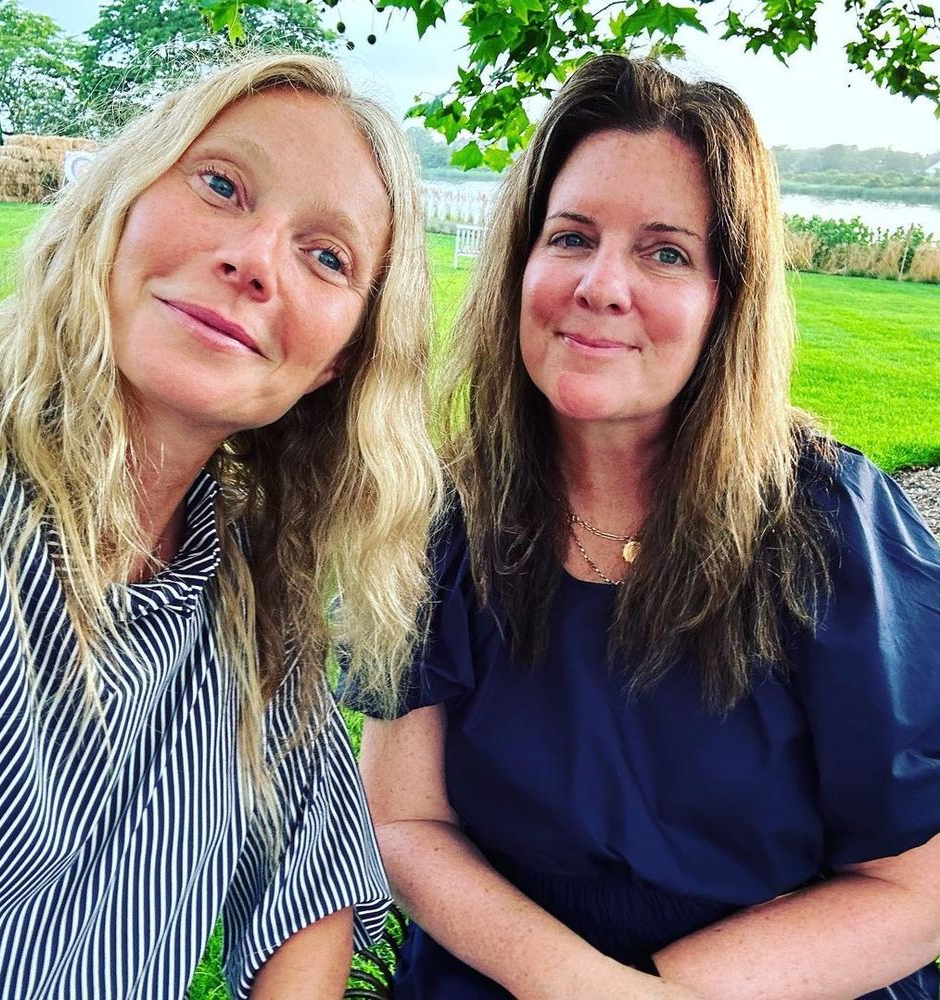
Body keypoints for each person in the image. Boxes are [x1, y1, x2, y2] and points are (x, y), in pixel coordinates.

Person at [350, 54, 940, 998]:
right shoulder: (442, 519)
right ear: (519, 266)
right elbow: (406, 820)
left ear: (725, 300)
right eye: (570, 237)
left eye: (665, 252)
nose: (601, 285)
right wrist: (577, 985)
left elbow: (912, 887)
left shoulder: (833, 524)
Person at [0, 53, 441, 999]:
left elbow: (314, 891)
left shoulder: (256, 605)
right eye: (220, 186)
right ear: (120, 200)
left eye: (326, 256)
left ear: (337, 362)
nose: (255, 261)